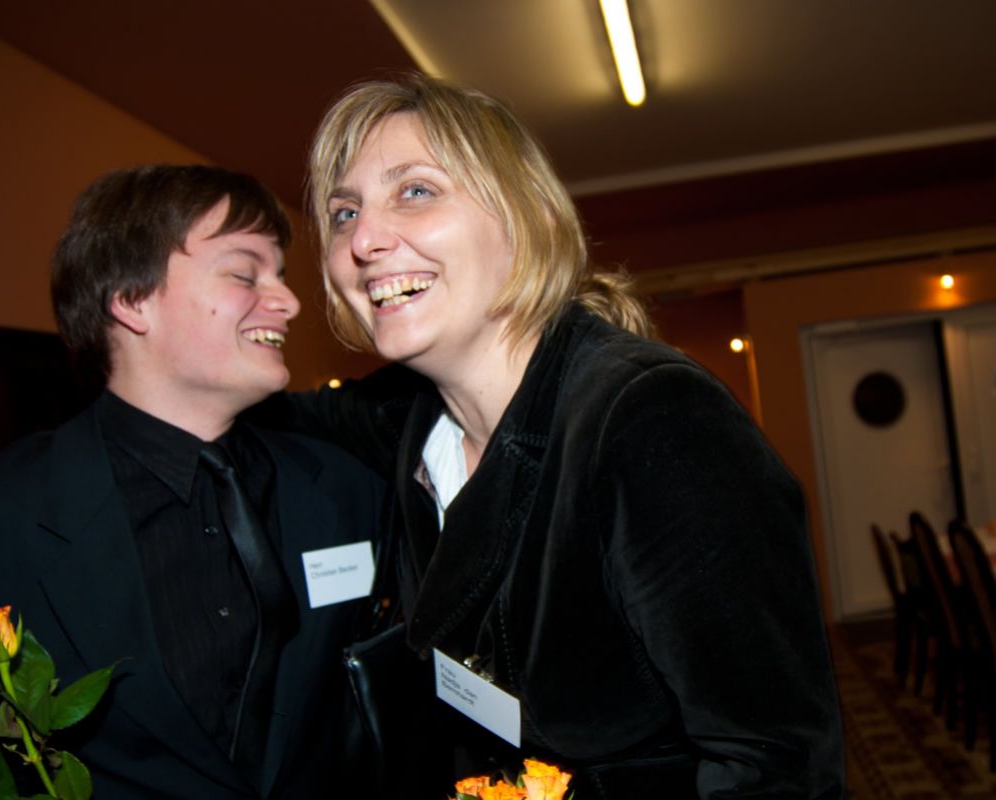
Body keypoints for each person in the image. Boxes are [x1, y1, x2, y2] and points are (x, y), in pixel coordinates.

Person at [276, 73, 846, 797]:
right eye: (344, 212)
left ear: (524, 218)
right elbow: (281, 414)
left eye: (415, 191)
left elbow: (775, 765)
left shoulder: (651, 419)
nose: (364, 239)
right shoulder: (410, 421)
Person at [0, 165, 389, 798]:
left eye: (281, 275)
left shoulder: (344, 489)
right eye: (246, 274)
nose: (289, 302)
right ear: (131, 300)